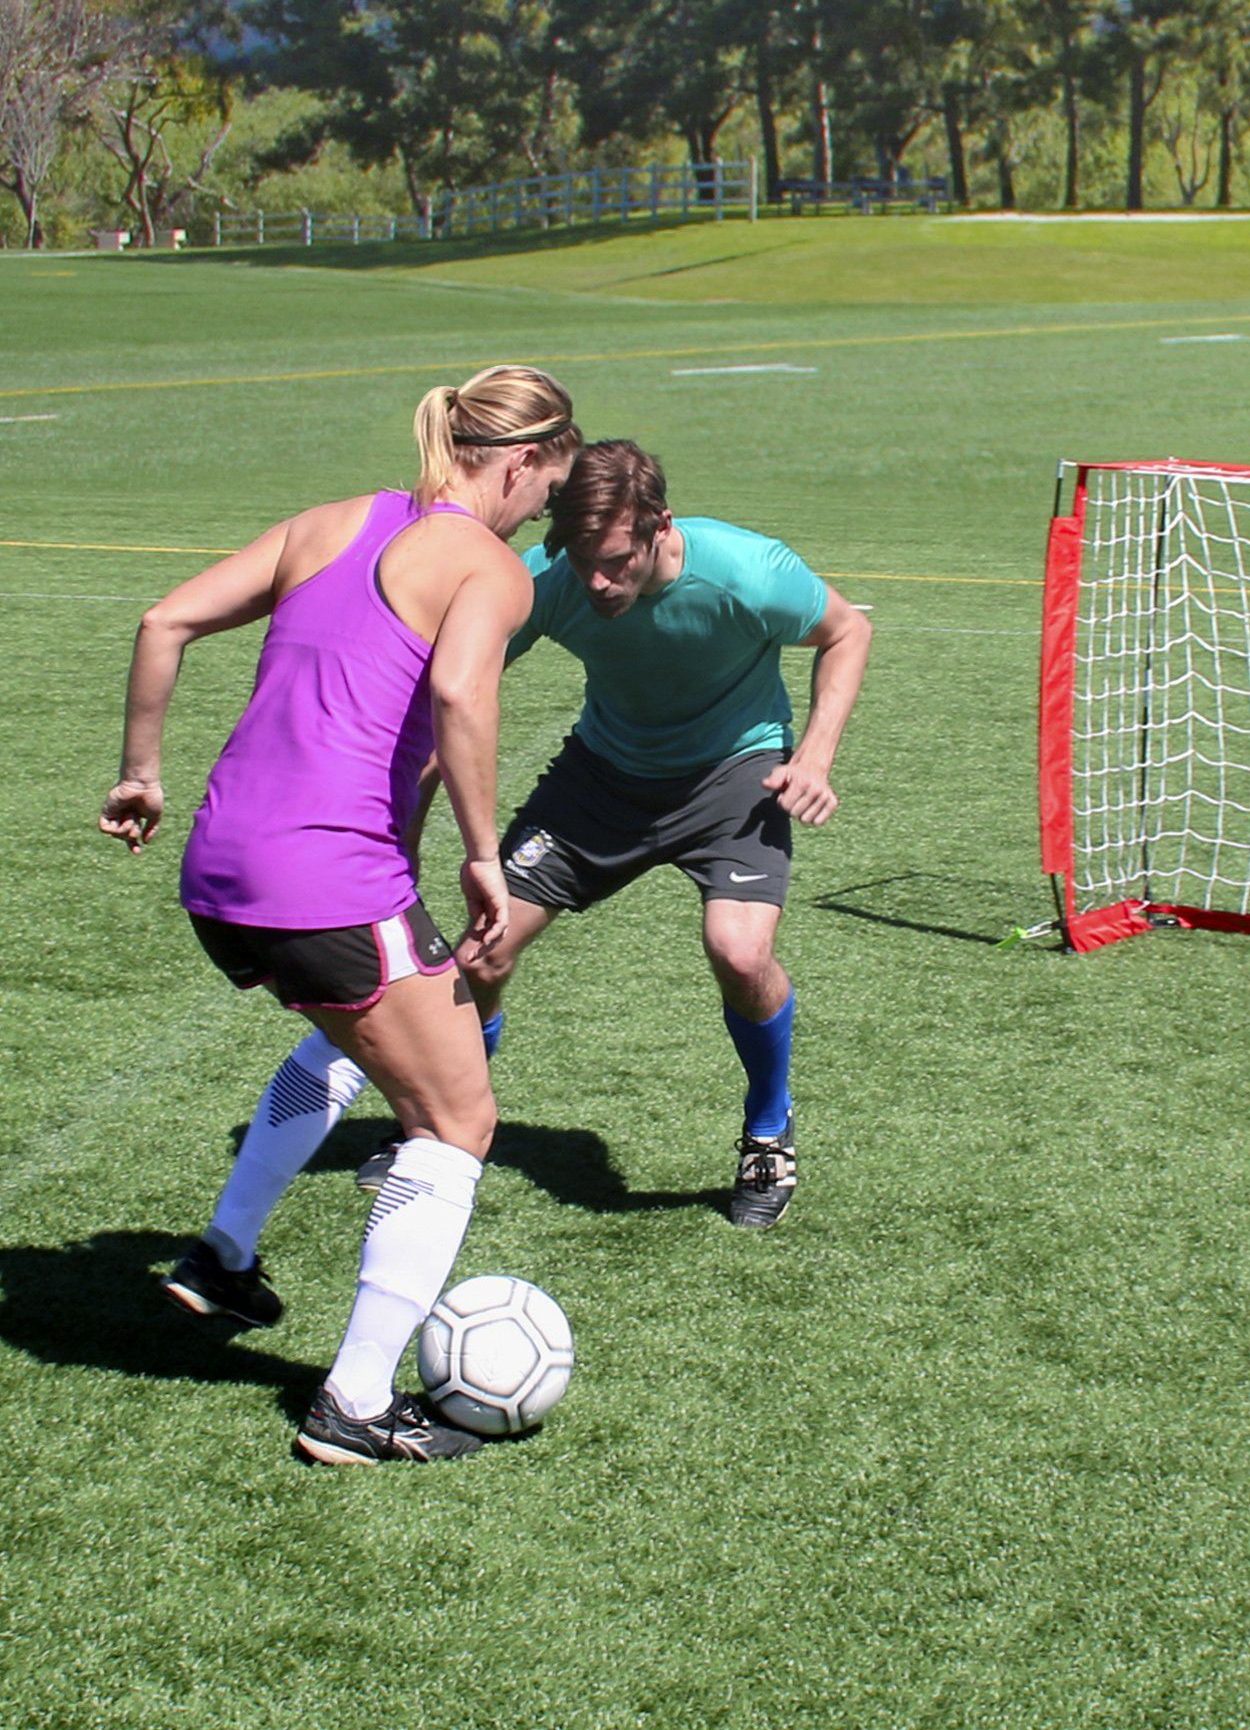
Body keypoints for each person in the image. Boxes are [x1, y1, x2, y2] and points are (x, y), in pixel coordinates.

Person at [99, 364, 579, 1465]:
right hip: (324, 875)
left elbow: (163, 617)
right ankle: (353, 1402)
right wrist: (478, 855)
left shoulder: (330, 522)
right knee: (458, 1121)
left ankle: (223, 1253)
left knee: (358, 1038)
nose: (535, 515)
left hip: (222, 868)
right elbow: (462, 691)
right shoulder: (488, 565)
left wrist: (140, 773)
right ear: (517, 463)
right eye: (542, 493)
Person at [357, 437, 871, 1227]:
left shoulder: (746, 571)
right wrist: (402, 812)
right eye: (580, 559)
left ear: (660, 526)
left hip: (734, 777)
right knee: (482, 953)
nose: (595, 582)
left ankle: (769, 1128)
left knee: (740, 952)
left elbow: (847, 632)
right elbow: (451, 688)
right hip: (602, 778)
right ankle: (445, 1132)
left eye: (615, 561)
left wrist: (816, 754)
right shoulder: (552, 581)